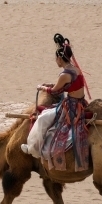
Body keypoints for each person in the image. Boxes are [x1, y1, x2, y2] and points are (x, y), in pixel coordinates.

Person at [22, 34, 90, 172]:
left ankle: (33, 148)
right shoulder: (76, 69)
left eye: (56, 58)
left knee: (42, 118)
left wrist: (42, 88)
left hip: (71, 107)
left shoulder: (64, 74)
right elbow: (67, 85)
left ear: (60, 58)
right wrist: (51, 85)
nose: (55, 61)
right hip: (80, 103)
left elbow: (54, 92)